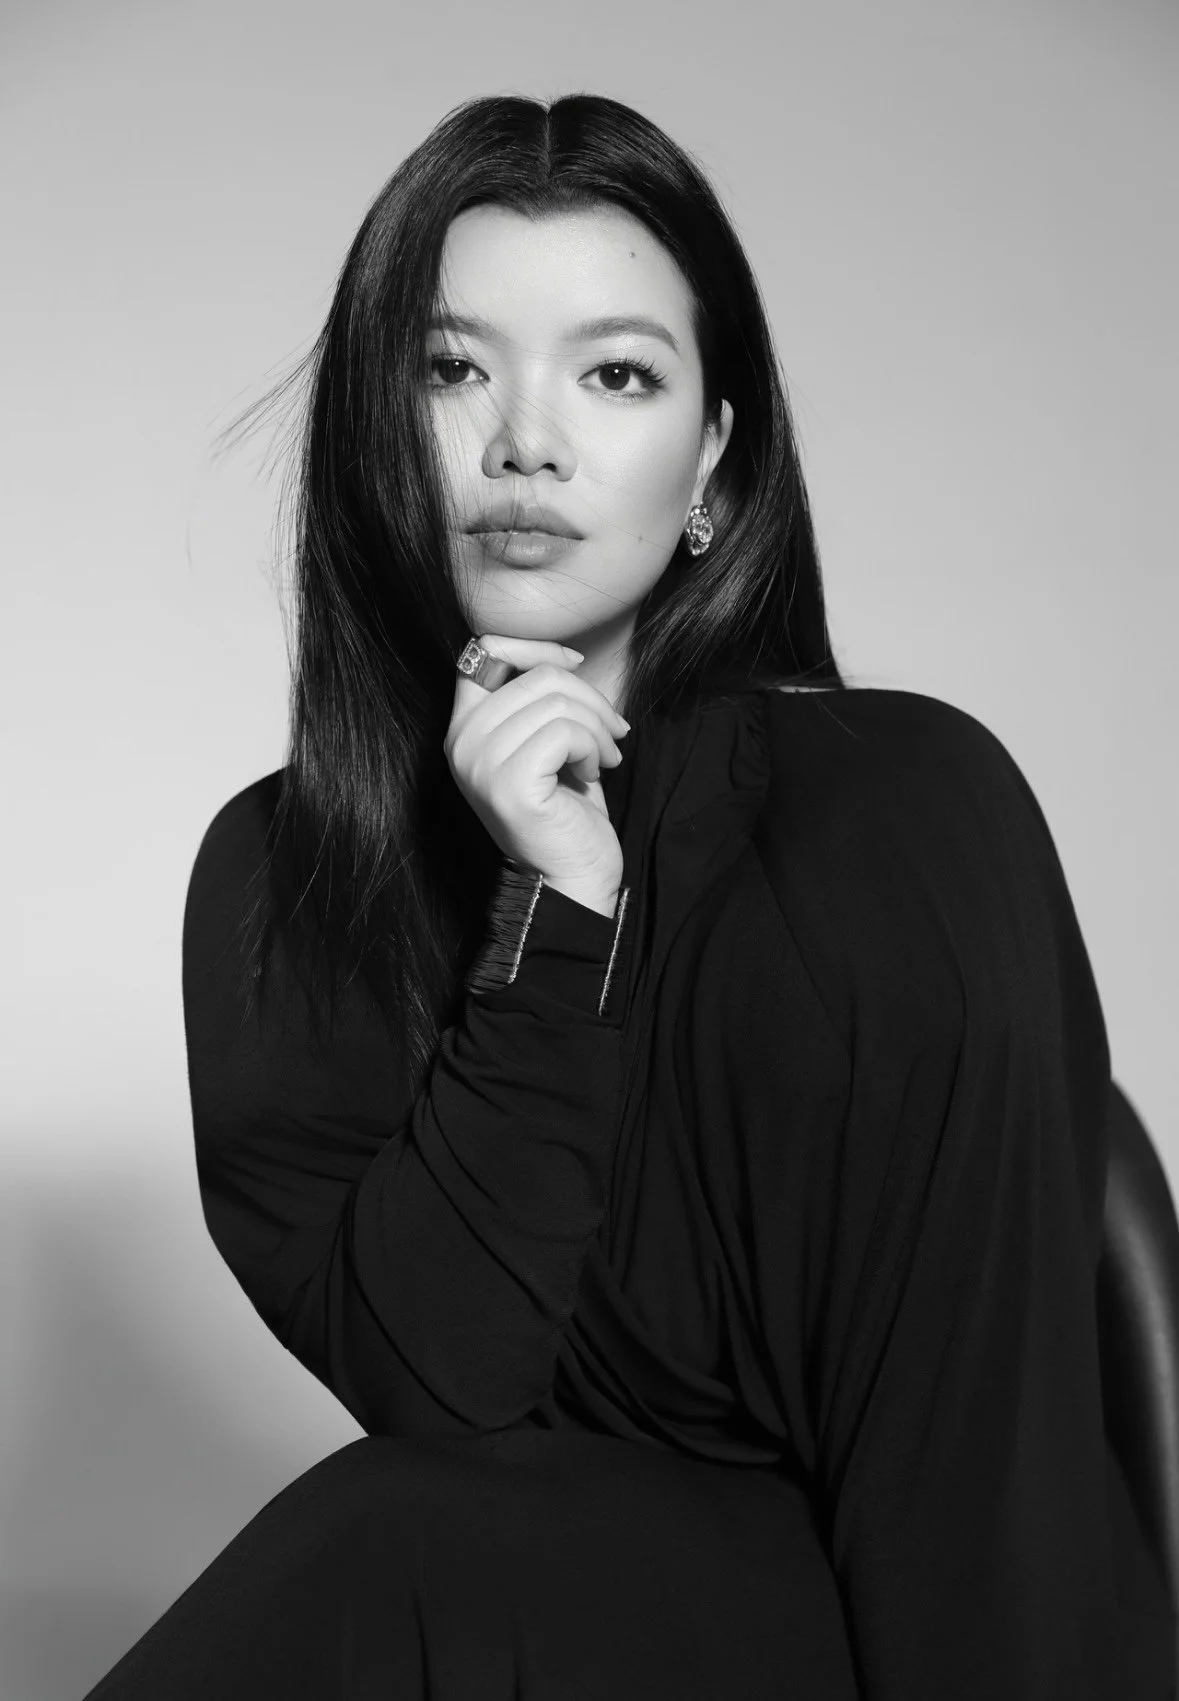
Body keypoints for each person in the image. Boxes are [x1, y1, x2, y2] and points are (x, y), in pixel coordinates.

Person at [81, 92, 1174, 1700]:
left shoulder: (897, 806)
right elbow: (444, 1398)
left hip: (930, 1634)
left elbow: (977, 1468)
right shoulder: (283, 887)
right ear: (373, 428)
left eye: (614, 375)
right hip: (560, 1621)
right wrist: (556, 910)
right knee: (392, 1533)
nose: (524, 442)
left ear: (712, 454)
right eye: (451, 369)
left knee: (389, 1550)